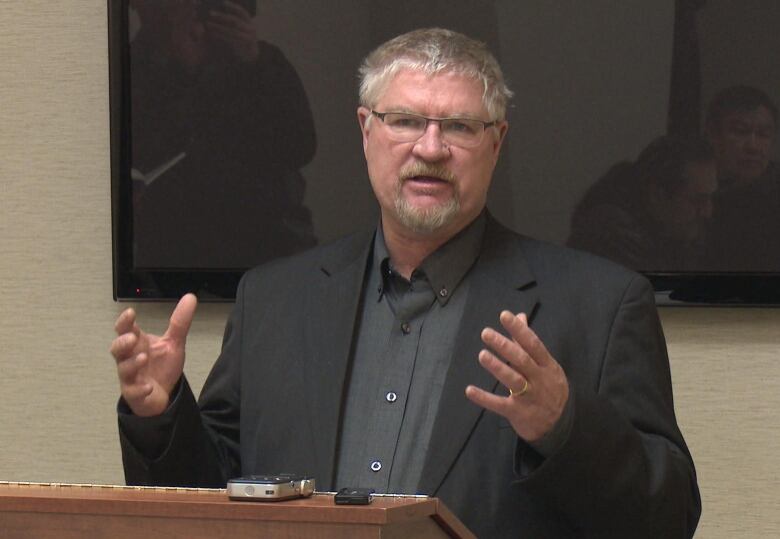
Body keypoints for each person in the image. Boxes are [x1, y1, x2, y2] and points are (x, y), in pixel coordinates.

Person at [112, 28, 700, 537]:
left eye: (461, 127)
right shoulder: (273, 299)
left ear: (496, 144)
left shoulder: (600, 304)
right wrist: (159, 415)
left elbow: (668, 519)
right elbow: (212, 500)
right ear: (366, 130)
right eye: (406, 121)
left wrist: (565, 427)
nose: (431, 147)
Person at [129, 0, 317, 271]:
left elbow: (300, 145)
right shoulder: (134, 71)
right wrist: (179, 67)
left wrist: (253, 61)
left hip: (269, 247)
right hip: (173, 254)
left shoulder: (262, 62)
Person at [567, 135, 717, 271]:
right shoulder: (610, 240)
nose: (708, 211)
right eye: (698, 200)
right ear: (658, 195)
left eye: (710, 198)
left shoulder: (675, 233)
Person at [704, 85, 780, 271]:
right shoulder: (691, 193)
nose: (753, 146)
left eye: (763, 134)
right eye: (740, 131)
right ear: (713, 134)